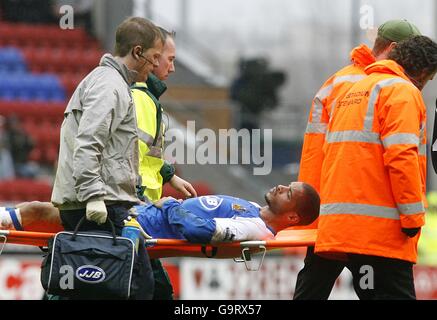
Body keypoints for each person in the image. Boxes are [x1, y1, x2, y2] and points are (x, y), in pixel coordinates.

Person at [294, 19, 422, 300]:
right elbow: (398, 154)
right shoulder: (392, 87)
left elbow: (315, 151)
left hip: (329, 214)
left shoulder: (337, 82)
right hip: (369, 219)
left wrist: (313, 214)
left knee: (311, 290)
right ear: (395, 49)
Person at [51, 17, 164, 300]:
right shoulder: (109, 86)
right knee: (138, 288)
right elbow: (89, 143)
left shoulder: (108, 82)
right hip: (99, 208)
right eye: (154, 58)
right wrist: (93, 197)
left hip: (101, 204)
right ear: (137, 52)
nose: (155, 67)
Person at [1, 182, 320, 243]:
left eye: (288, 192)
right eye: (286, 184)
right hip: (139, 212)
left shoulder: (254, 228)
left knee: (39, 209)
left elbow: (200, 232)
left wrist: (170, 205)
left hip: (135, 224)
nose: (280, 187)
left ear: (292, 218)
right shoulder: (253, 209)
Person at [131, 27, 196, 300]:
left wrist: (169, 175)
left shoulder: (148, 99)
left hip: (137, 209)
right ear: (153, 58)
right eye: (168, 58)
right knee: (156, 291)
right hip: (136, 210)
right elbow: (128, 154)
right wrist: (141, 200)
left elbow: (148, 152)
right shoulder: (141, 99)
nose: (172, 66)